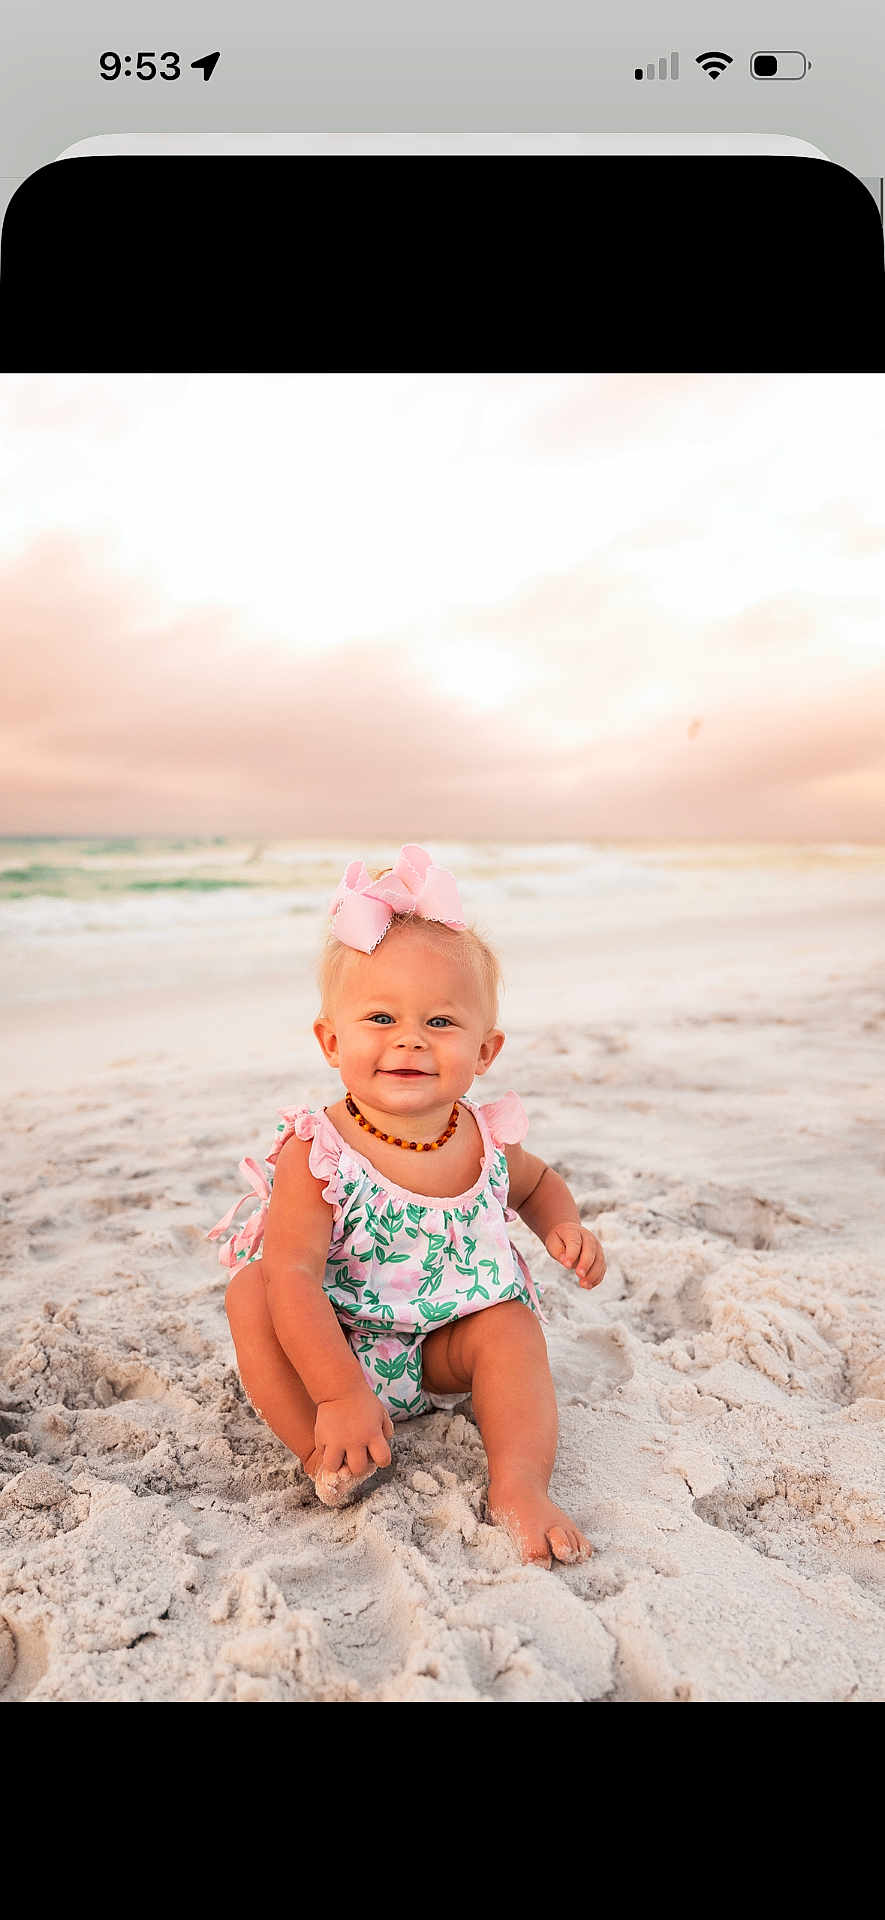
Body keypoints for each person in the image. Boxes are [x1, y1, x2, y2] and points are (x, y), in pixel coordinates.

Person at [210, 844, 606, 1569]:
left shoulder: (484, 1139)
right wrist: (336, 1394)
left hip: (438, 1351)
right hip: (331, 1343)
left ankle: (519, 1484)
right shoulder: (319, 1150)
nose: (410, 1039)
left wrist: (564, 1225)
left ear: (485, 1051)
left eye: (442, 1024)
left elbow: (537, 1184)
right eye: (381, 1017)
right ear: (331, 1041)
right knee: (251, 1293)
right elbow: (294, 1276)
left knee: (511, 1327)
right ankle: (325, 1453)